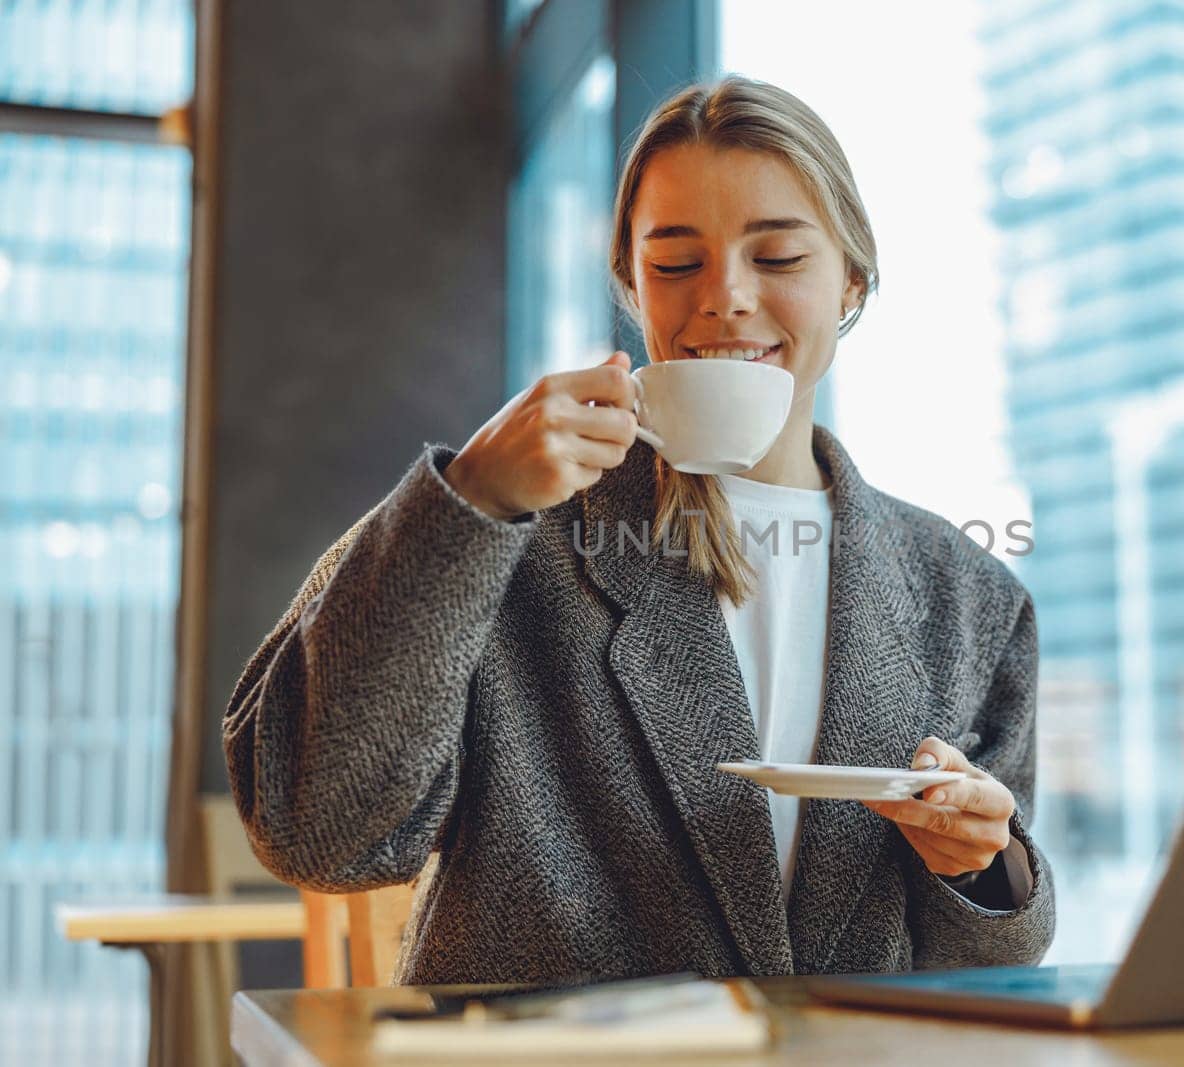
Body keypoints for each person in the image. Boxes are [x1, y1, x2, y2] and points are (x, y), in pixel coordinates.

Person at [224, 75, 1054, 985]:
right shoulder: (508, 532)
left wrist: (979, 865)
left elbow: (989, 965)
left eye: (777, 258)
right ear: (630, 285)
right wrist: (470, 500)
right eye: (674, 263)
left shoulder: (969, 594)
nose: (727, 297)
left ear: (851, 279)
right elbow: (319, 832)